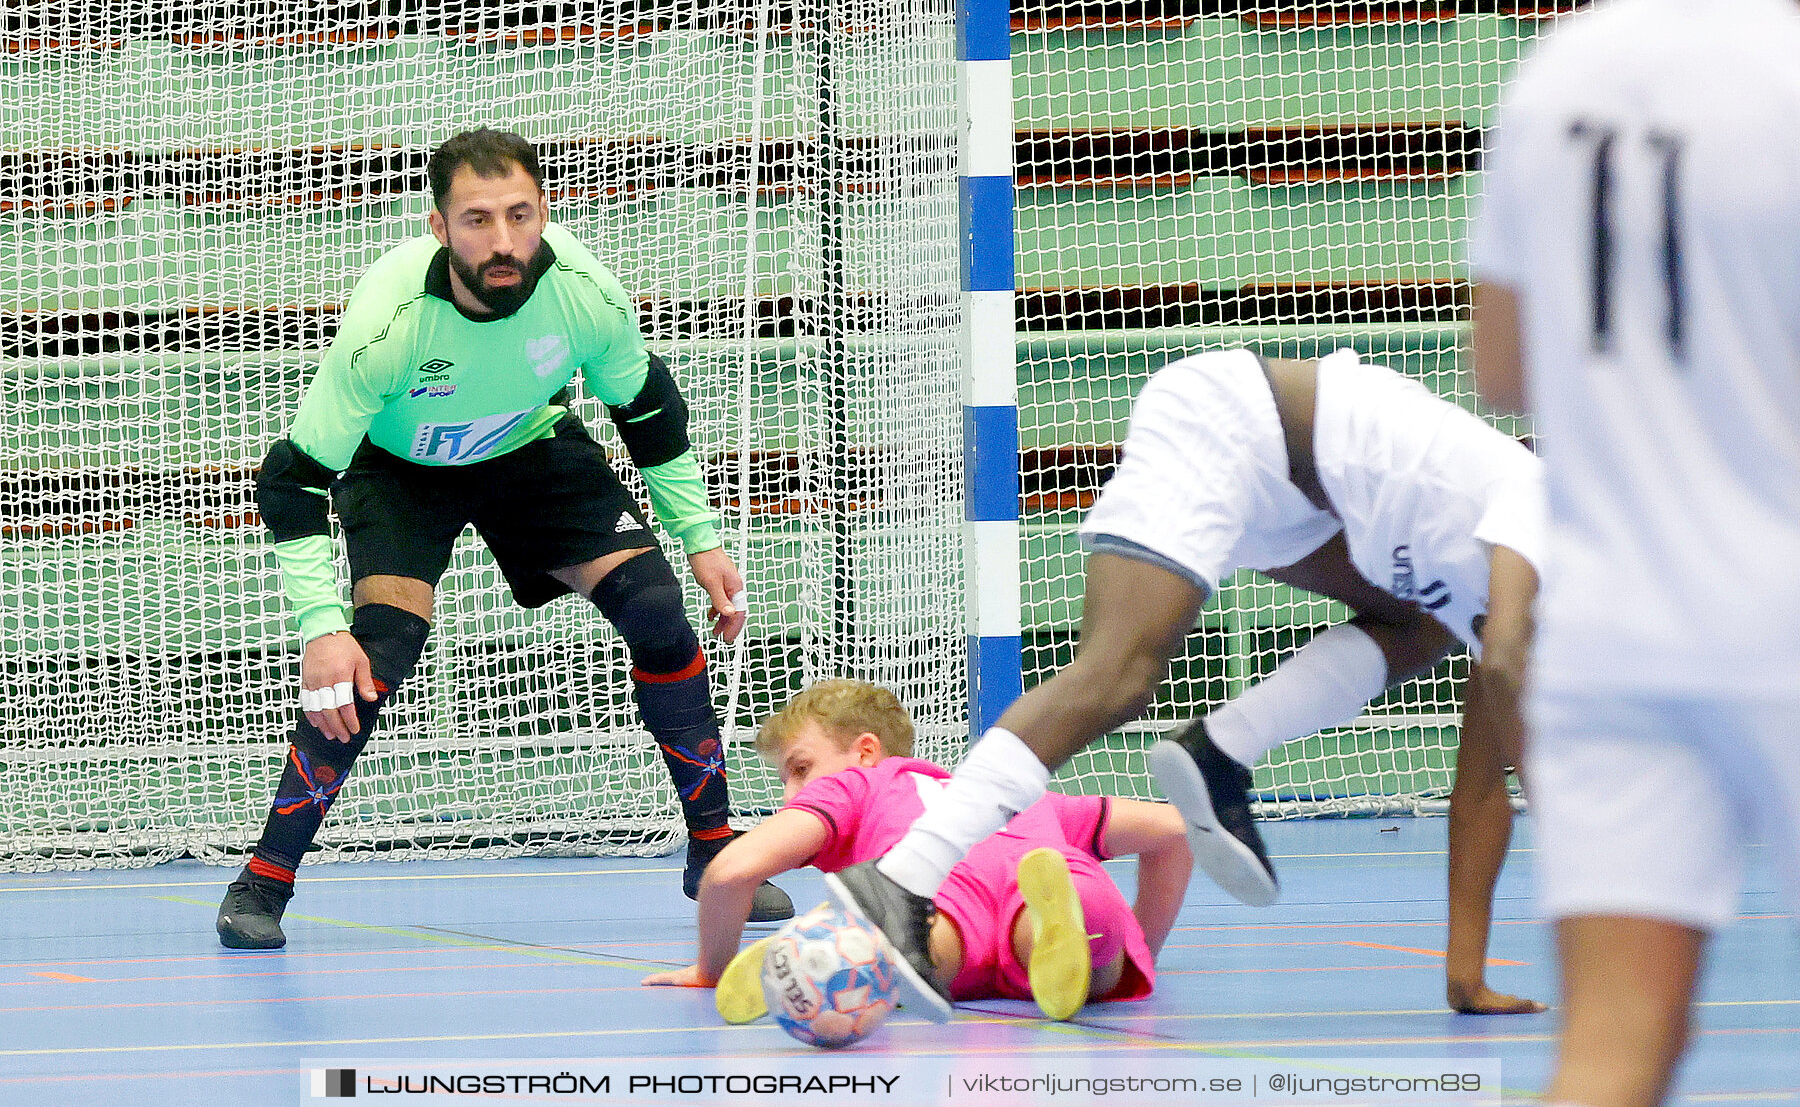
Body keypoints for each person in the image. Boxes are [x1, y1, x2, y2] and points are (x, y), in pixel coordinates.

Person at [829, 349, 1545, 1020]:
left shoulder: (1509, 620)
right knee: (1118, 674)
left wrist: (1465, 975)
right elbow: (1515, 677)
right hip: (1235, 422)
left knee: (1418, 625)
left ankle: (1220, 748)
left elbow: (1484, 786)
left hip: (1298, 502)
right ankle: (899, 879)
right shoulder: (1548, 521)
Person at [215, 129, 793, 950]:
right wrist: (320, 626)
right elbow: (294, 480)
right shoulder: (390, 326)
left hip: (527, 448)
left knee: (659, 610)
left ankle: (714, 852)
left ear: (545, 212)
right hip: (400, 466)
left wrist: (700, 539)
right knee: (378, 651)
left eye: (520, 215)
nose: (502, 240)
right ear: (438, 227)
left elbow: (651, 412)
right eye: (477, 220)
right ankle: (264, 879)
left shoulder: (585, 293)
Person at [1470, 0, 1800, 1099]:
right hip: (1781, 609)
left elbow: (1502, 368)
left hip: (1610, 633)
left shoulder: (1559, 72)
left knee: (1609, 1051)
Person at [642, 678, 1193, 1022]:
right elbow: (1175, 831)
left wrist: (712, 967)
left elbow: (731, 871)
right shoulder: (1012, 794)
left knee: (905, 941)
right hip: (1041, 863)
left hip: (931, 897)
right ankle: (1076, 939)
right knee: (1089, 926)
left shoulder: (860, 785)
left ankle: (813, 961)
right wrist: (1140, 947)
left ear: (866, 752)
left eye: (801, 770)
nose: (792, 795)